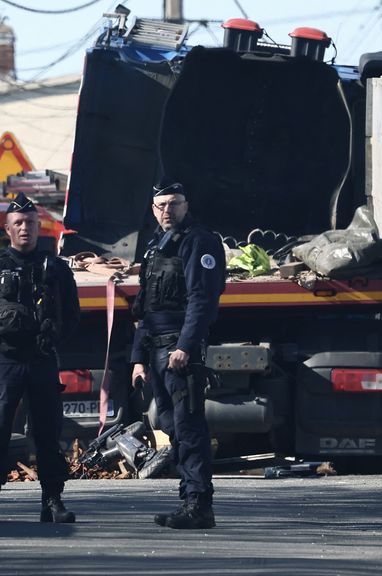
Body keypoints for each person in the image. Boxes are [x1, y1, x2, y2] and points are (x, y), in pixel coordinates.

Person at [0, 192, 81, 524]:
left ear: (38, 225)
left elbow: (72, 315)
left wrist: (53, 338)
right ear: (8, 229)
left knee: (47, 433)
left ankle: (53, 502)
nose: (25, 228)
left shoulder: (55, 268)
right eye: (18, 223)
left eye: (29, 222)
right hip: (6, 361)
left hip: (42, 360)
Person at [130, 180, 225, 529]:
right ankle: (190, 496)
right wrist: (137, 358)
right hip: (155, 348)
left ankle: (198, 504)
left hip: (177, 348)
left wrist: (185, 345)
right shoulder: (155, 246)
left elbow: (202, 300)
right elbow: (145, 307)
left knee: (188, 426)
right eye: (161, 205)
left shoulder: (199, 242)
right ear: (153, 209)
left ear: (186, 205)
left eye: (174, 203)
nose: (167, 210)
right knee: (169, 424)